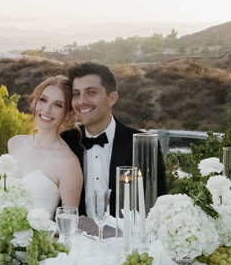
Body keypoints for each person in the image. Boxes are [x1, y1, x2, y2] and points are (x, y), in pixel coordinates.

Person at [62, 62, 167, 217]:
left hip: (125, 238)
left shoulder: (142, 144)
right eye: (76, 94)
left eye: (91, 92)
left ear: (111, 98)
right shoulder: (64, 142)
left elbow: (157, 204)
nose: (81, 101)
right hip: (76, 238)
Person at [7, 75, 83, 216]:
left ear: (67, 114)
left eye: (58, 105)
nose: (47, 110)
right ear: (35, 101)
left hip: (39, 237)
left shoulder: (68, 163)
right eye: (43, 100)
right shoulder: (15, 144)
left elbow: (69, 223)